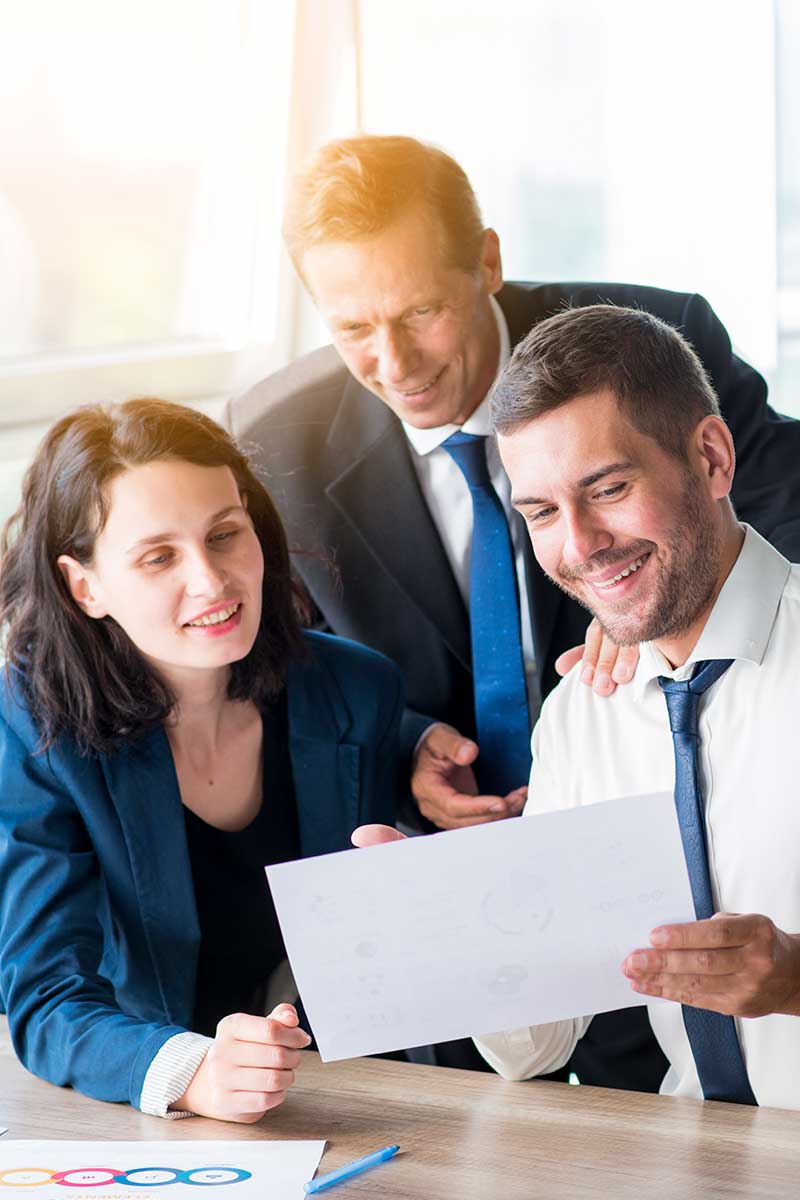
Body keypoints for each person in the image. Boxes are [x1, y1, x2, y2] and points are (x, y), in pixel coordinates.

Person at [227, 135, 800, 1087]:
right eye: (352, 328)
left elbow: (774, 514)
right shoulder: (278, 437)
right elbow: (287, 648)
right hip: (539, 887)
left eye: (419, 311)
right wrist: (434, 901)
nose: (395, 360)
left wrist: (645, 606)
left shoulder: (654, 346)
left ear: (486, 261)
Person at [0, 398, 402, 1121]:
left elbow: (366, 964)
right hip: (139, 1102)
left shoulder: (358, 690)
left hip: (342, 1094)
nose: (213, 581)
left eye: (225, 534)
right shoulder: (32, 720)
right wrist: (193, 1073)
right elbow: (45, 997)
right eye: (159, 557)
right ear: (83, 585)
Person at [468, 303, 799, 1107]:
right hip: (694, 1158)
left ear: (713, 458)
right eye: (542, 512)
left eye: (608, 488)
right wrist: (450, 929)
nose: (579, 546)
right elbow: (536, 1047)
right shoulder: (584, 713)